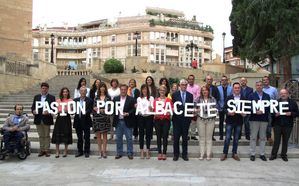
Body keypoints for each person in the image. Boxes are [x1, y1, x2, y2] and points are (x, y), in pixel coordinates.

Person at [270, 89, 299, 161]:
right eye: (281, 93)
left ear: (288, 94)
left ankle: (283, 155)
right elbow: (271, 112)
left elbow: (297, 113)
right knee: (276, 140)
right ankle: (273, 155)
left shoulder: (293, 102)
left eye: (285, 93)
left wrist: (291, 113)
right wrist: (275, 114)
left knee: (285, 141)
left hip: (288, 125)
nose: (283, 95)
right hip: (277, 124)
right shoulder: (276, 102)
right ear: (280, 94)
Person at [220, 82, 245, 161]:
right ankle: (225, 153)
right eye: (235, 88)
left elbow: (247, 109)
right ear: (233, 89)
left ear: (240, 89)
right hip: (230, 121)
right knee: (227, 138)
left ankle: (234, 153)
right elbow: (224, 108)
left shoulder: (244, 98)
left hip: (239, 121)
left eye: (238, 88)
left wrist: (244, 114)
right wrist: (228, 112)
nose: (237, 89)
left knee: (236, 138)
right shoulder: (229, 97)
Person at [31, 82, 55, 157]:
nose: (44, 89)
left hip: (47, 119)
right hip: (38, 119)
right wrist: (33, 111)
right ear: (41, 89)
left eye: (45, 88)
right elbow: (33, 107)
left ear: (48, 89)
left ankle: (47, 150)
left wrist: (49, 111)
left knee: (47, 135)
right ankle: (42, 150)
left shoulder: (51, 97)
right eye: (43, 88)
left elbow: (53, 108)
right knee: (41, 135)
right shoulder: (36, 97)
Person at [248, 81, 270, 161]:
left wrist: (263, 111)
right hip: (254, 119)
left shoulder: (267, 96)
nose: (259, 86)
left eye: (261, 85)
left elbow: (269, 107)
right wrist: (255, 111)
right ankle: (252, 153)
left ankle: (262, 154)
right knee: (253, 137)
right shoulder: (251, 95)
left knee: (263, 137)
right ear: (255, 86)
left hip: (264, 119)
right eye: (257, 85)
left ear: (262, 86)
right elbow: (249, 106)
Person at [172, 79, 193, 161]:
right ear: (179, 86)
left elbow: (190, 108)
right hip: (176, 120)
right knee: (176, 138)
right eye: (182, 84)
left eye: (185, 84)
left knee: (185, 138)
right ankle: (176, 154)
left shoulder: (190, 95)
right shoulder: (174, 95)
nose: (184, 86)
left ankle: (184, 154)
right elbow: (173, 106)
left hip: (186, 120)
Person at [113, 84, 136, 160]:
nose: (123, 91)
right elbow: (112, 109)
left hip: (128, 121)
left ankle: (130, 153)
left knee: (129, 138)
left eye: (124, 89)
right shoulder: (115, 99)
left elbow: (134, 109)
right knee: (118, 138)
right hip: (118, 121)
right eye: (122, 89)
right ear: (120, 90)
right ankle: (119, 153)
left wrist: (128, 113)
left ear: (127, 90)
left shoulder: (131, 99)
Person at [195, 86, 217, 160]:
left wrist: (212, 110)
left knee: (209, 138)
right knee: (201, 138)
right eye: (203, 90)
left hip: (210, 120)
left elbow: (216, 108)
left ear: (208, 91)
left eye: (206, 90)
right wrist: (196, 110)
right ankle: (201, 154)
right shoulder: (198, 99)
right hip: (200, 119)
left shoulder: (212, 99)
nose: (204, 92)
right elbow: (194, 108)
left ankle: (208, 154)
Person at [51, 87, 73, 158]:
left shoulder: (70, 100)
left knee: (66, 134)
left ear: (68, 93)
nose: (65, 93)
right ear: (62, 93)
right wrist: (57, 111)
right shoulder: (58, 101)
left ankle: (65, 150)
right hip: (59, 118)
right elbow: (55, 111)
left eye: (66, 92)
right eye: (64, 92)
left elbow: (72, 112)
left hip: (67, 118)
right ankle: (57, 151)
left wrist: (68, 110)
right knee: (57, 133)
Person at [153, 85, 173, 160]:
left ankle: (164, 152)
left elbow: (171, 109)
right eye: (161, 90)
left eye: (163, 90)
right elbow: (153, 110)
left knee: (165, 136)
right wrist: (153, 111)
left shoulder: (169, 100)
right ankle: (159, 152)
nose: (162, 91)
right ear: (159, 91)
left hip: (166, 120)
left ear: (165, 91)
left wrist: (169, 112)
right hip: (157, 120)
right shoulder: (155, 100)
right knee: (158, 136)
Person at [73, 86, 93, 158]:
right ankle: (80, 151)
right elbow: (73, 110)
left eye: (84, 91)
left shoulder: (90, 100)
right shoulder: (75, 100)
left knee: (87, 137)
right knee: (79, 137)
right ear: (79, 92)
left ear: (86, 92)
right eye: (81, 91)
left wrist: (85, 112)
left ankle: (87, 151)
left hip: (86, 121)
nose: (83, 92)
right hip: (78, 121)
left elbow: (90, 110)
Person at [92, 82, 111, 159]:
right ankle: (100, 151)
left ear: (105, 88)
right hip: (97, 118)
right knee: (98, 136)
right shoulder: (96, 98)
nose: (102, 88)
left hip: (105, 118)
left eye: (103, 87)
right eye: (101, 87)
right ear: (99, 88)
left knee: (105, 136)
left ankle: (104, 151)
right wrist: (95, 108)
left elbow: (110, 107)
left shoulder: (108, 98)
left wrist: (104, 109)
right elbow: (94, 106)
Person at [136, 84, 154, 159]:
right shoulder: (139, 98)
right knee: (141, 134)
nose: (144, 90)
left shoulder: (151, 98)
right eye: (143, 89)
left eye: (146, 89)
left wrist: (151, 108)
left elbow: (153, 108)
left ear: (148, 90)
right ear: (141, 90)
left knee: (148, 134)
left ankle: (147, 150)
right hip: (141, 117)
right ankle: (141, 151)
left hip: (149, 117)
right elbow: (138, 108)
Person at [262, 76, 278, 143]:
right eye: (264, 80)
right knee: (263, 124)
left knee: (269, 123)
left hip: (270, 109)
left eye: (266, 80)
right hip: (262, 109)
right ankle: (262, 136)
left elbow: (277, 99)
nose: (265, 81)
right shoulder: (261, 89)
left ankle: (269, 137)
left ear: (268, 81)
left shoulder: (273, 89)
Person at [216, 76, 232, 140]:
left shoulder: (231, 88)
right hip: (221, 107)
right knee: (221, 122)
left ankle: (229, 135)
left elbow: (232, 98)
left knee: (229, 122)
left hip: (228, 107)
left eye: (225, 80)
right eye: (222, 80)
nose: (224, 81)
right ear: (221, 81)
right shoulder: (218, 88)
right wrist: (219, 106)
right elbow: (217, 98)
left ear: (227, 81)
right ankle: (221, 135)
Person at [205, 75, 220, 141]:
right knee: (205, 122)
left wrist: (214, 104)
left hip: (212, 108)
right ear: (206, 80)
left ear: (212, 80)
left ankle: (211, 136)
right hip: (204, 108)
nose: (209, 80)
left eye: (210, 79)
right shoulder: (203, 88)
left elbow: (218, 97)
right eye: (208, 79)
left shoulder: (215, 88)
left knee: (212, 123)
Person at [187, 74, 201, 141]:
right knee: (187, 120)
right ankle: (186, 134)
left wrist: (194, 102)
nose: (191, 80)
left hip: (195, 104)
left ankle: (192, 135)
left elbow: (198, 96)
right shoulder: (186, 87)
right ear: (188, 80)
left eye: (192, 79)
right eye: (189, 79)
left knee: (193, 121)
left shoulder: (197, 87)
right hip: (187, 105)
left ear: (194, 80)